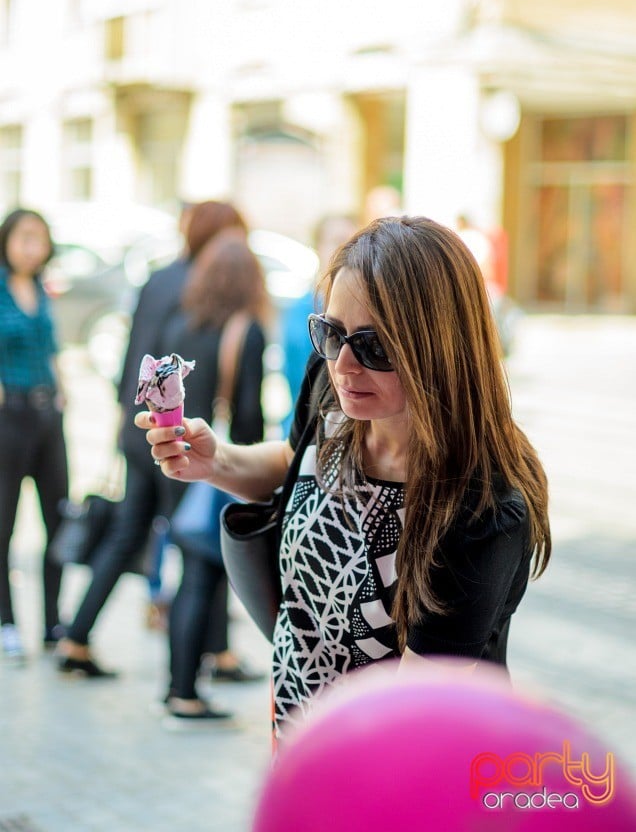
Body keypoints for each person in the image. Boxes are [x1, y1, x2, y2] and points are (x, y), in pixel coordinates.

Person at [136, 215, 551, 743]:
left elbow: (413, 715)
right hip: (298, 733)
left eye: (374, 345)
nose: (345, 365)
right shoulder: (331, 390)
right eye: (331, 333)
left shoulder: (479, 510)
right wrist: (216, 463)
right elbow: (293, 464)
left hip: (385, 770)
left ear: (441, 347)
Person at [56, 200, 246, 676]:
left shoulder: (159, 278)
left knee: (127, 535)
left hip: (138, 426)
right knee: (200, 543)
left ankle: (76, 638)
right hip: (179, 437)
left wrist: (124, 417)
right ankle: (205, 663)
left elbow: (133, 356)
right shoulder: (207, 285)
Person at [159, 228, 268, 724]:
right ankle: (184, 692)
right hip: (220, 466)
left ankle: (180, 685)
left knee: (191, 577)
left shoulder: (183, 323)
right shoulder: (246, 330)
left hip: (179, 461)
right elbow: (248, 412)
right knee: (203, 578)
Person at [0, 208, 69, 660]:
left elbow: (52, 348)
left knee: (58, 519)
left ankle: (51, 621)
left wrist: (64, 389)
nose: (32, 247)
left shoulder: (42, 291)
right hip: (10, 415)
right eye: (24, 238)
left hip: (48, 414)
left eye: (39, 239)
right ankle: (6, 620)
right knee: (4, 524)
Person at [280, 213, 358, 433]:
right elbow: (301, 379)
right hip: (309, 430)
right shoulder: (302, 312)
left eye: (353, 241)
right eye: (337, 241)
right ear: (317, 247)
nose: (346, 249)